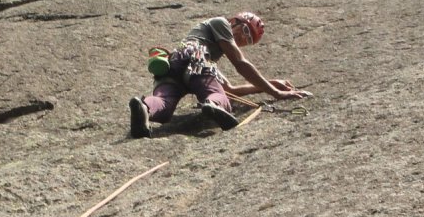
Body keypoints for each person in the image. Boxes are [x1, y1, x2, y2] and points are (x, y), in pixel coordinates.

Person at [128, 11, 310, 137]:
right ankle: (213, 105)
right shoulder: (220, 23)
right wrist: (277, 93)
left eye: (248, 41)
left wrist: (268, 85)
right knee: (216, 97)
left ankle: (144, 108)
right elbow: (240, 64)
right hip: (196, 59)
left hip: (174, 64)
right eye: (245, 31)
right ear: (234, 21)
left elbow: (230, 90)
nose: (242, 39)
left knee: (163, 104)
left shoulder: (209, 54)